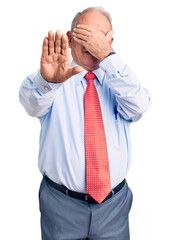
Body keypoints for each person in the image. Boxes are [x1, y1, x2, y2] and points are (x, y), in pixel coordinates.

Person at [19, 6, 150, 240]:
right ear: (70, 39)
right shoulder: (53, 78)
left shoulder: (120, 81)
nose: (92, 43)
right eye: (85, 35)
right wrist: (48, 81)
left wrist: (109, 58)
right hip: (61, 206)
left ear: (111, 40)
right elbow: (31, 104)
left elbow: (139, 106)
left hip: (114, 207)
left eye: (100, 37)